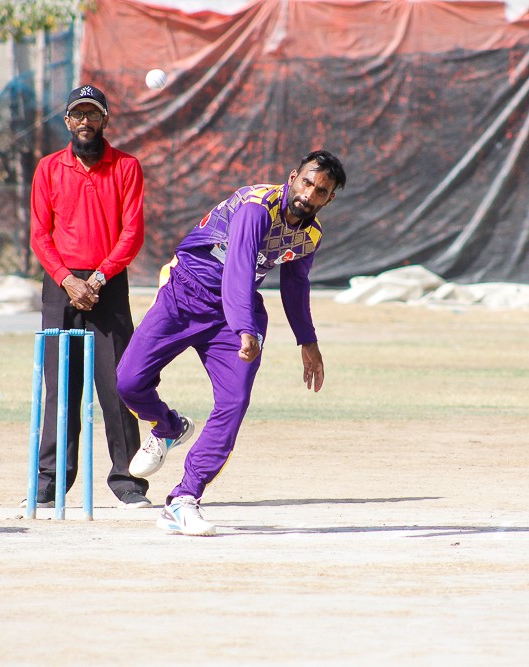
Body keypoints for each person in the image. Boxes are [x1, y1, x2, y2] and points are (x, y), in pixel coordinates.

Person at [117, 150, 347, 535]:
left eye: (321, 191)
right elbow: (238, 266)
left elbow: (295, 284)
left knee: (234, 402)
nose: (310, 194)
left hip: (233, 314)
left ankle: (183, 500)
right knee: (128, 383)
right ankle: (168, 426)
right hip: (185, 293)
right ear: (293, 176)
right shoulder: (257, 208)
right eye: (307, 182)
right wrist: (245, 328)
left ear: (330, 199)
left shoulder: (310, 235)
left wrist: (307, 341)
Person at [27, 84, 151, 509]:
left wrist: (97, 279)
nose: (85, 121)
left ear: (105, 120)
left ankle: (128, 481)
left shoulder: (126, 166)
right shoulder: (49, 167)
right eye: (78, 114)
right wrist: (67, 279)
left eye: (93, 114)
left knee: (118, 384)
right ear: (67, 121)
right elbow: (40, 234)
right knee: (61, 386)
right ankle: (50, 482)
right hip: (60, 284)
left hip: (107, 283)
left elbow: (132, 233)